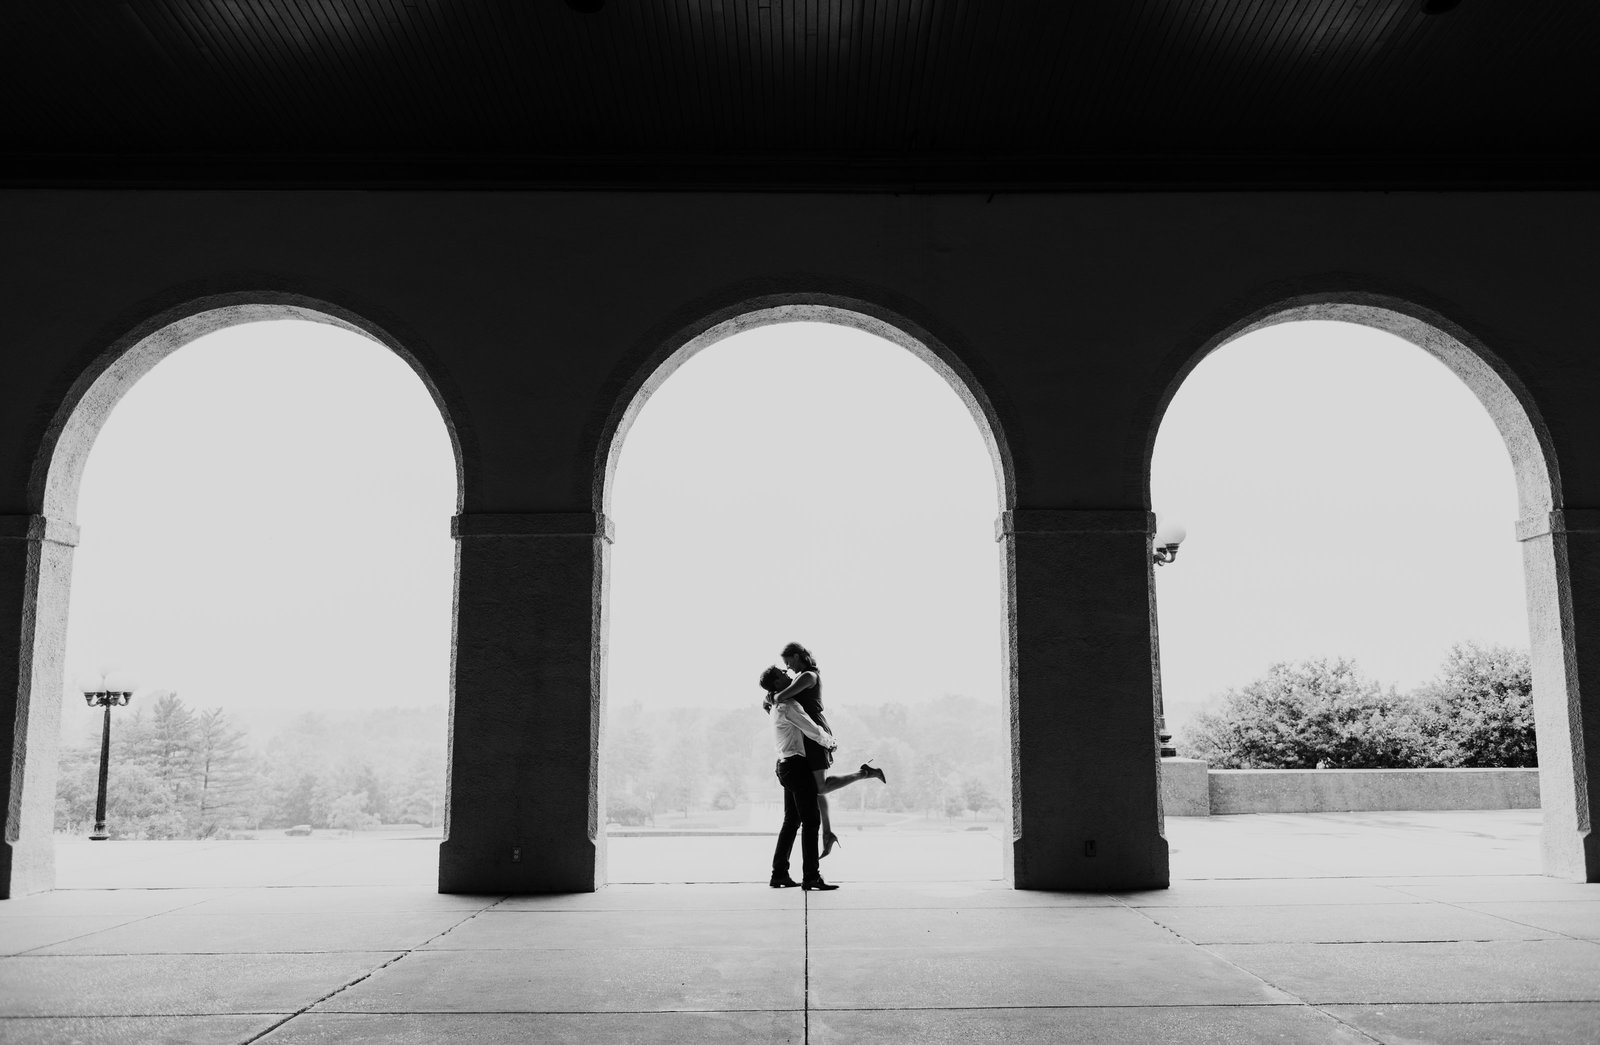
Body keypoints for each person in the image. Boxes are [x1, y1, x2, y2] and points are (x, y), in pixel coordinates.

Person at [763, 642, 887, 858]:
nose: (788, 669)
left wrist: (772, 696)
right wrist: (772, 696)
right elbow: (781, 699)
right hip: (807, 731)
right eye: (784, 667)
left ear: (796, 656)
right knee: (815, 788)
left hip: (815, 731)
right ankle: (827, 833)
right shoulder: (799, 677)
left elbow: (781, 697)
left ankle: (864, 773)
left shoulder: (808, 676)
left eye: (788, 662)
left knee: (819, 787)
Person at [761, 665, 838, 890]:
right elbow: (811, 729)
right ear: (777, 683)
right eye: (783, 675)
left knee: (791, 821)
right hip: (796, 766)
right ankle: (811, 877)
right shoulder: (788, 705)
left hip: (784, 765)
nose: (789, 675)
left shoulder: (776, 704)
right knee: (811, 820)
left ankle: (779, 874)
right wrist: (831, 742)